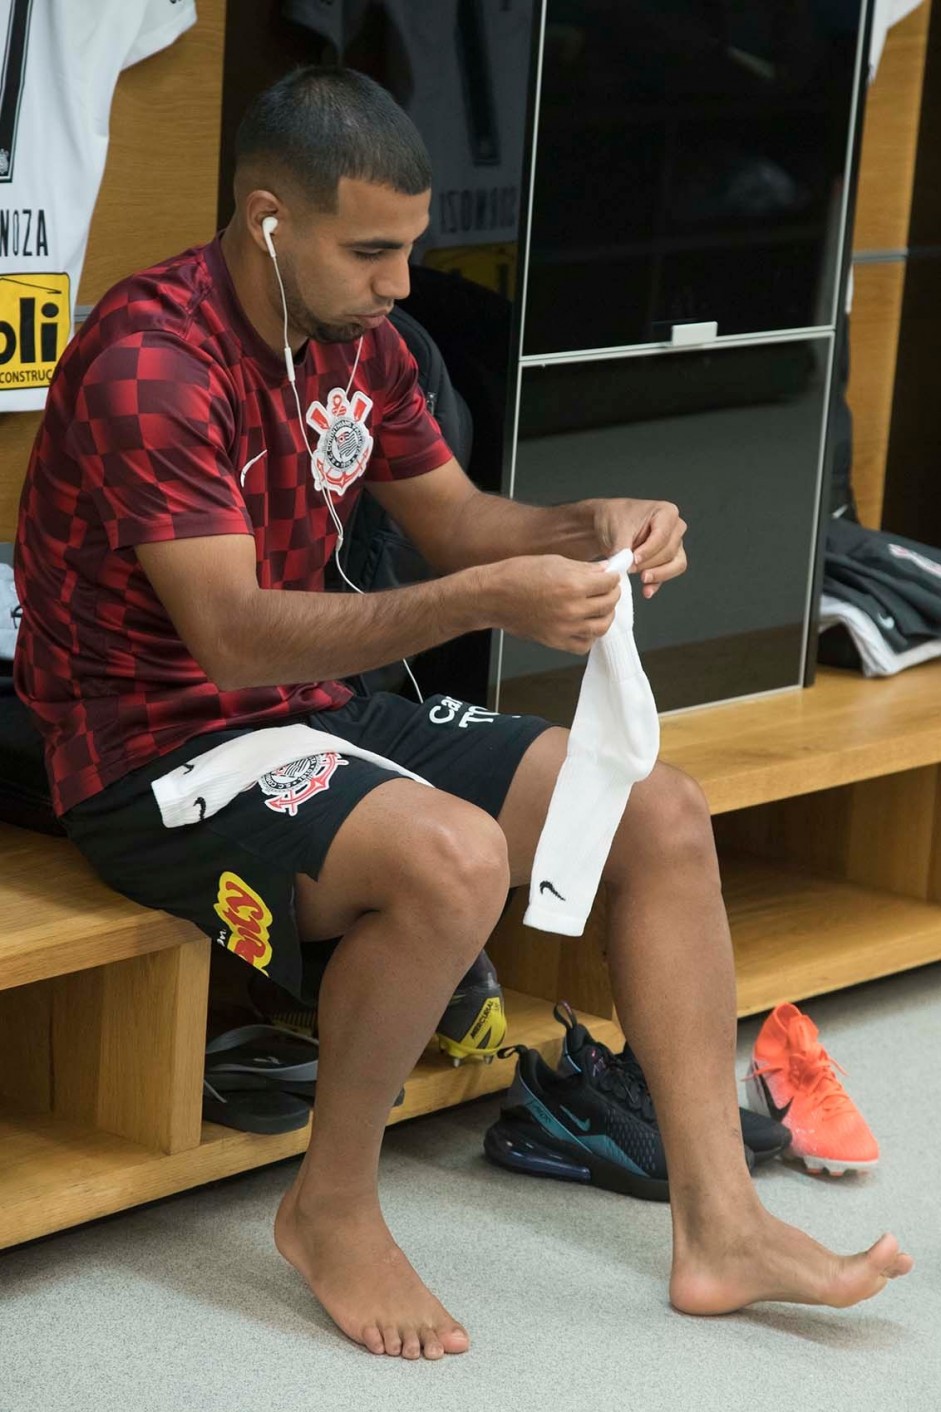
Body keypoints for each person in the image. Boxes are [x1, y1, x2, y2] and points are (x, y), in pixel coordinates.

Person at [14, 67, 912, 1361]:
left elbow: (452, 522)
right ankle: (328, 1208)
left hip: (313, 711)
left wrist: (585, 524)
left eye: (411, 249)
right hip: (155, 754)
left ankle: (716, 1225)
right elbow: (232, 630)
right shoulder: (148, 365)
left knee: (654, 810)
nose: (398, 283)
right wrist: (484, 598)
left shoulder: (359, 343)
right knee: (455, 856)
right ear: (268, 221)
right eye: (370, 250)